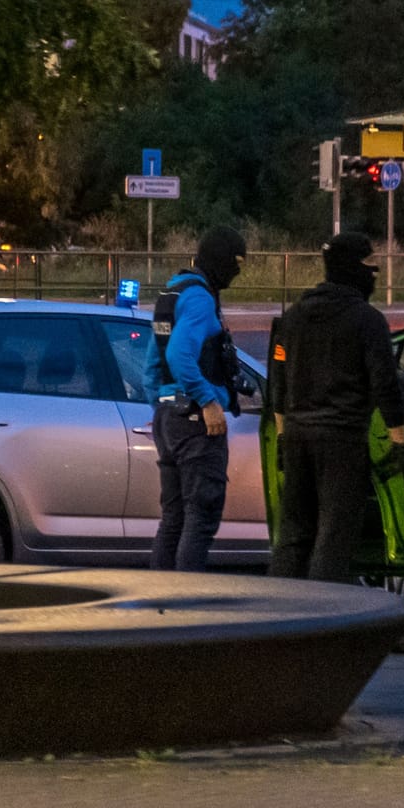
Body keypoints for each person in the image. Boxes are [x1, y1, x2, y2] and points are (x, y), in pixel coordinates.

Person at [268, 232, 404, 582]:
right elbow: (384, 382)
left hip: (298, 437)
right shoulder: (367, 320)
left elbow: (278, 382)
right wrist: (398, 437)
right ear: (352, 267)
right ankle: (324, 617)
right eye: (369, 265)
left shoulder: (294, 317)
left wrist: (285, 437)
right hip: (342, 440)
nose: (375, 272)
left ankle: (276, 615)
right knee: (334, 535)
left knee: (293, 534)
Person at [145, 227, 246, 572]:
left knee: (172, 519)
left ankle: (162, 604)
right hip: (195, 424)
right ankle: (188, 603)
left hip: (169, 419)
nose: (238, 272)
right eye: (237, 263)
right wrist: (208, 401)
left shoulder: (172, 292)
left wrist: (161, 405)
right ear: (221, 261)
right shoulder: (201, 298)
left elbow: (152, 365)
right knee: (200, 518)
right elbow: (178, 355)